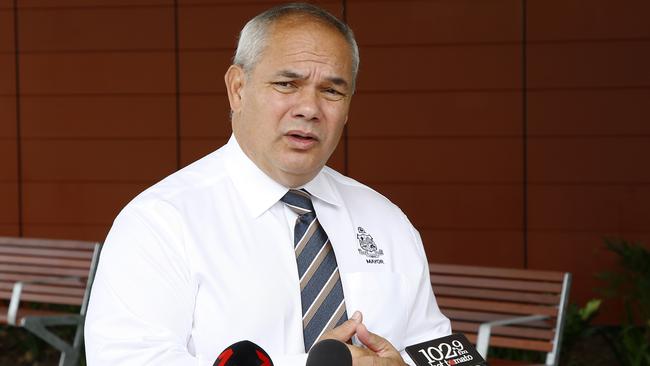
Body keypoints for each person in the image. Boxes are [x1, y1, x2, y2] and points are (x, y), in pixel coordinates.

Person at [85, 3, 450, 365]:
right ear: (238, 89)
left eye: (331, 91)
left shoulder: (386, 221)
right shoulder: (160, 222)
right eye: (286, 84)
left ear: (348, 106)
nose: (309, 108)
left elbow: (443, 354)